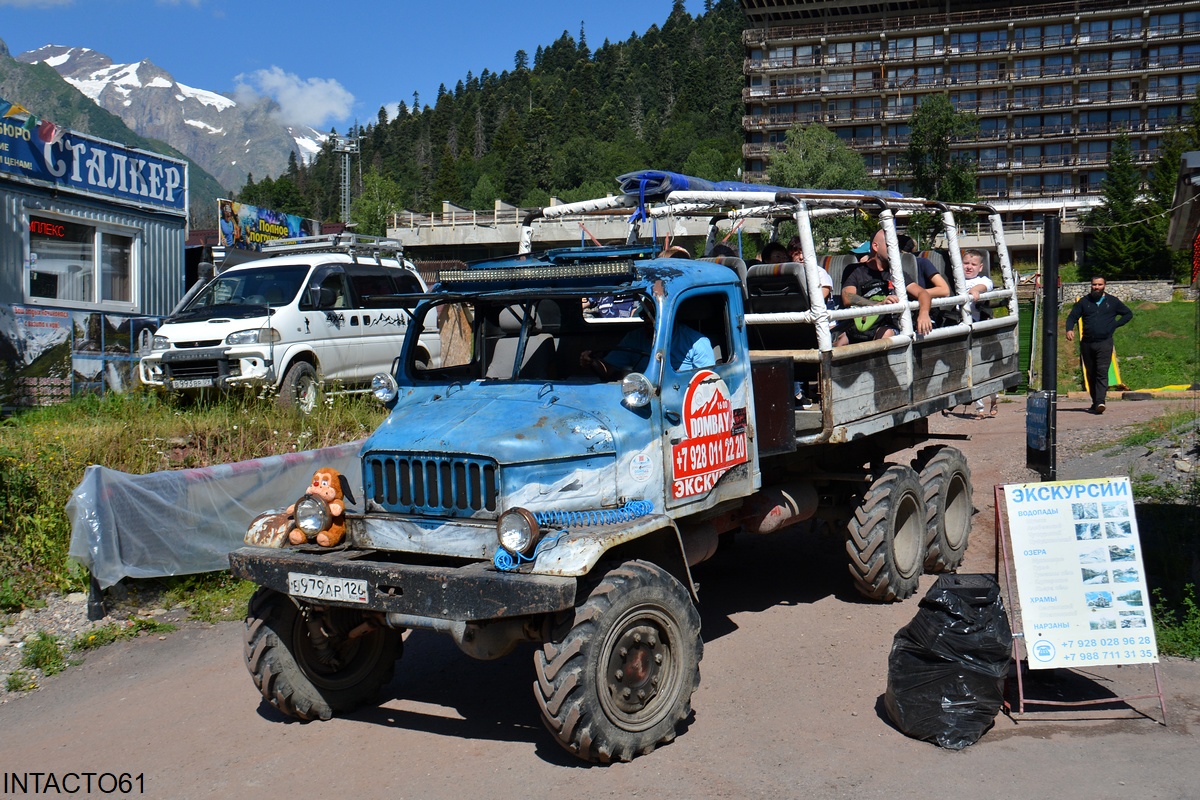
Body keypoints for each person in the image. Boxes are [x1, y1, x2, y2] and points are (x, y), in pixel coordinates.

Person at [835, 229, 937, 345]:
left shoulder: (897, 274)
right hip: (860, 324)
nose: (895, 250)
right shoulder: (856, 271)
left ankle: (876, 363)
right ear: (875, 246)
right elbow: (848, 297)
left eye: (896, 245)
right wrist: (878, 305)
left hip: (886, 326)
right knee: (839, 342)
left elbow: (922, 293)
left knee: (885, 334)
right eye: (890, 245)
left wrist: (924, 313)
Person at [580, 298, 715, 379]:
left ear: (670, 315)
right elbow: (609, 369)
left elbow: (708, 383)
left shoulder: (697, 343)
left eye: (654, 315)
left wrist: (681, 378)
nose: (649, 321)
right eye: (645, 315)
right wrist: (592, 362)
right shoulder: (635, 337)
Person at [942, 249, 999, 418]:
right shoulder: (955, 282)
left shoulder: (983, 280)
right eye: (966, 263)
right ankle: (979, 407)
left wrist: (975, 291)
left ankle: (994, 398)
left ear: (980, 267)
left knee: (985, 368)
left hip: (978, 327)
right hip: (961, 327)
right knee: (970, 368)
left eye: (973, 264)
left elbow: (984, 286)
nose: (969, 267)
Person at [1064, 276, 1133, 414]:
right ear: (1091, 285)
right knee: (1091, 373)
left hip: (1104, 342)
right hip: (1087, 343)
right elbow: (1072, 317)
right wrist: (1069, 329)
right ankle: (1095, 401)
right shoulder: (1084, 302)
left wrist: (1115, 325)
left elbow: (1128, 314)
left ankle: (1101, 401)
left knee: (1102, 372)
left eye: (1099, 285)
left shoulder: (1112, 302)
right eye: (1094, 285)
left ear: (1104, 286)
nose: (1096, 287)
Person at [786, 235, 834, 307]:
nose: (801, 257)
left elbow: (821, 296)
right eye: (796, 254)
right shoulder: (789, 274)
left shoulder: (819, 272)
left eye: (804, 254)